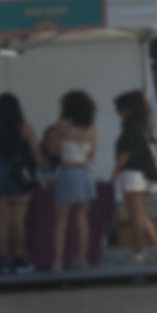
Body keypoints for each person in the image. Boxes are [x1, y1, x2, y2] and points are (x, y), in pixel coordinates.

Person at [0, 92, 40, 276]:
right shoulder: (23, 126)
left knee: (3, 218)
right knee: (18, 220)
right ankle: (20, 258)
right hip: (17, 172)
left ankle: (4, 260)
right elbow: (35, 149)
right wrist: (38, 170)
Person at [43, 90, 98, 272]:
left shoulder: (62, 125)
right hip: (85, 173)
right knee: (82, 219)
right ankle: (81, 259)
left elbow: (54, 150)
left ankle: (57, 261)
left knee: (61, 221)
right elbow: (91, 154)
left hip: (67, 173)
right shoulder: (90, 128)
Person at [112, 90, 157, 264]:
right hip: (146, 175)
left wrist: (111, 177)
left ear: (126, 109)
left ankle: (138, 252)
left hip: (133, 175)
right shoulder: (144, 126)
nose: (117, 112)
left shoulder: (130, 127)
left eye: (119, 108)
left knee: (134, 215)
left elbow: (123, 156)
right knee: (139, 213)